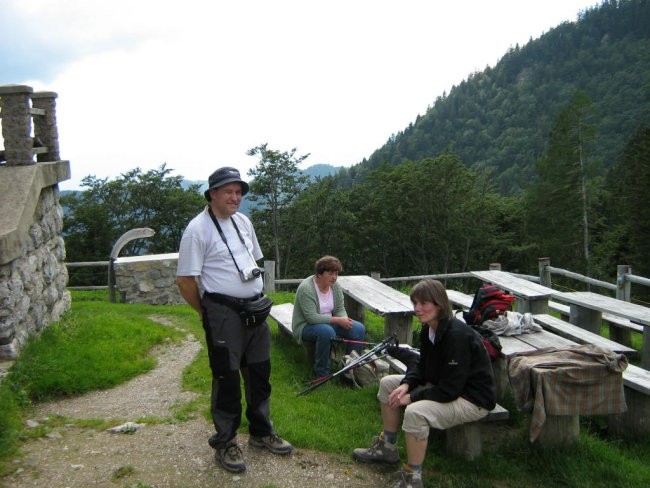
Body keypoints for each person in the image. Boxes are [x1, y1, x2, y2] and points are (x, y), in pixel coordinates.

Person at [176, 166, 292, 474]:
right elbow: (186, 279)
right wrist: (205, 312)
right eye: (228, 191)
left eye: (239, 192)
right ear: (212, 194)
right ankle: (226, 442)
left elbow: (250, 262)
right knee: (226, 378)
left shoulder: (243, 222)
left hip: (254, 309)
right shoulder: (197, 229)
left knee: (260, 373)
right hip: (222, 312)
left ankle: (261, 432)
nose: (235, 197)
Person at [353, 279, 496, 488]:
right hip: (447, 387)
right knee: (388, 384)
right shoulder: (429, 329)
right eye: (415, 304)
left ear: (439, 304)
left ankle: (413, 476)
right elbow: (422, 366)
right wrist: (406, 385)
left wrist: (411, 398)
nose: (418, 309)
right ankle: (388, 447)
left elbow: (449, 390)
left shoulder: (456, 335)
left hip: (472, 398)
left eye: (424, 304)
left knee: (415, 412)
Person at [292, 255, 366, 378]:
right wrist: (337, 320)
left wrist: (344, 319)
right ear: (319, 274)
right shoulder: (306, 288)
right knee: (327, 331)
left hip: (329, 322)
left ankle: (351, 370)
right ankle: (322, 373)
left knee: (358, 328)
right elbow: (312, 317)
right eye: (330, 273)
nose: (334, 277)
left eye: (336, 273)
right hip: (306, 326)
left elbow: (339, 309)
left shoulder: (335, 286)